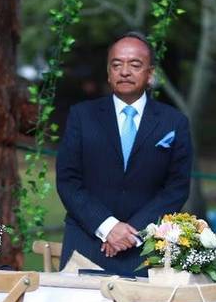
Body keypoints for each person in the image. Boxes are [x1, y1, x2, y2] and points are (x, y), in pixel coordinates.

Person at [56, 32, 193, 276]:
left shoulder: (174, 122)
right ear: (108, 73)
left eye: (135, 64)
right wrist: (108, 227)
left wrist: (133, 233)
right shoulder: (81, 116)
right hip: (86, 243)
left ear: (150, 74)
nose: (125, 71)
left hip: (146, 250)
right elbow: (68, 181)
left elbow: (176, 188)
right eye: (116, 65)